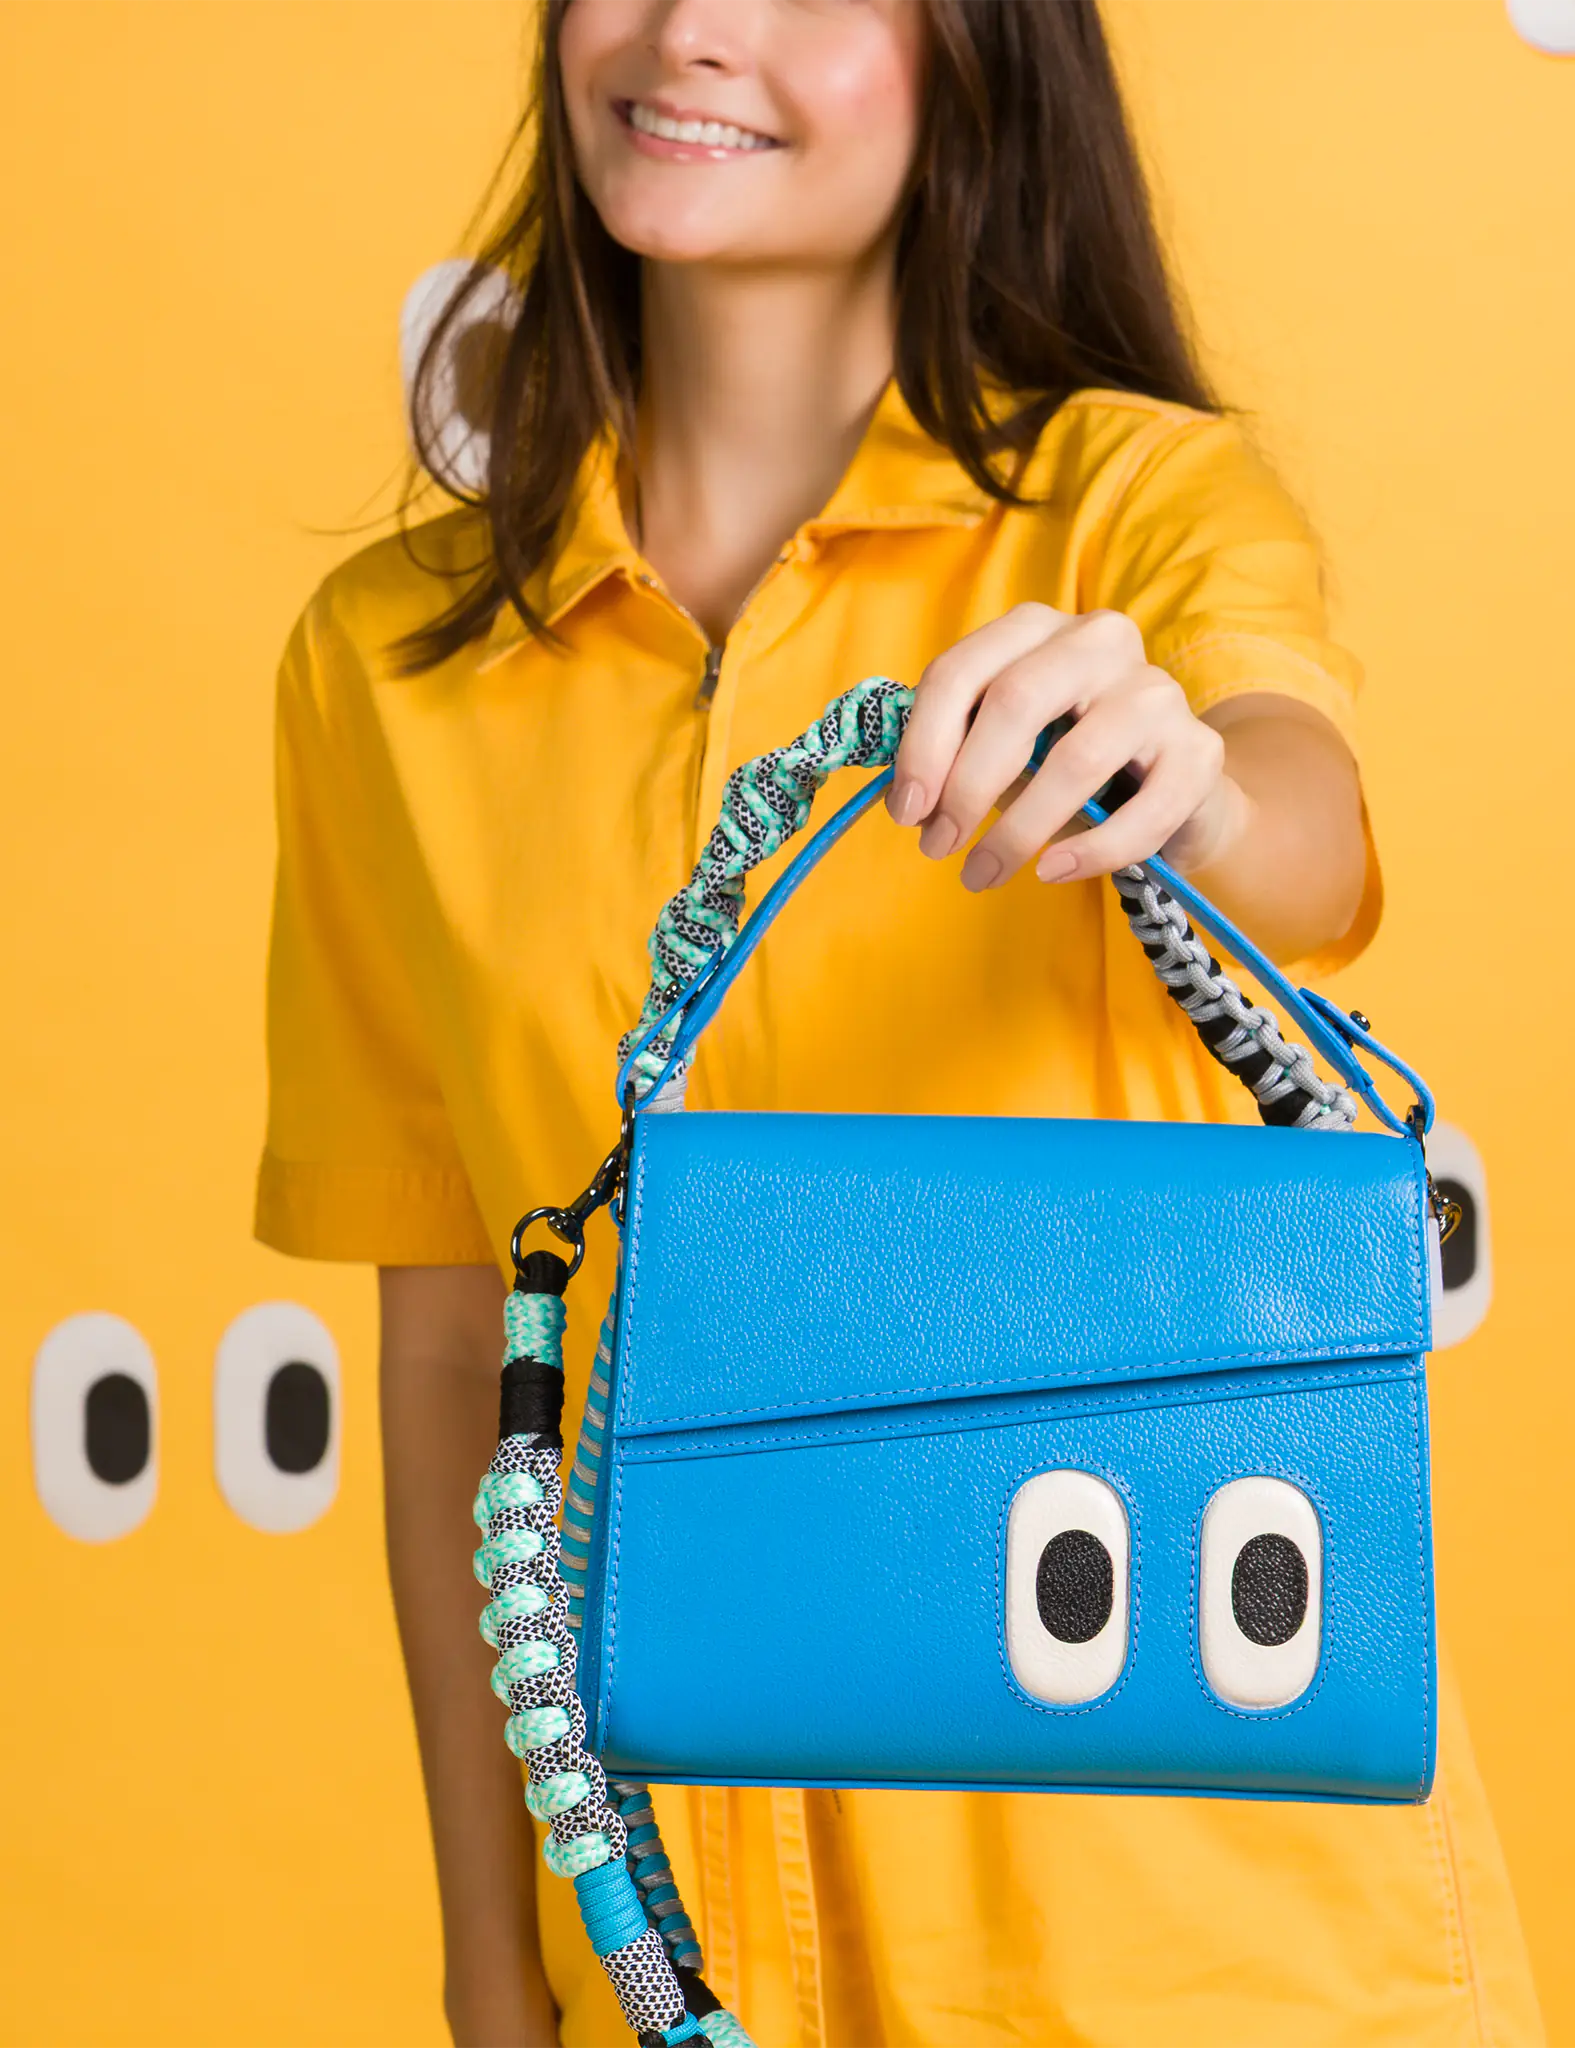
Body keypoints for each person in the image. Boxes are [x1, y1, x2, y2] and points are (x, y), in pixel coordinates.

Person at [255, 1, 1545, 2042]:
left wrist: (1186, 787)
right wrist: (493, 1962)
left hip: (1194, 1944)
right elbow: (451, 1349)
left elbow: (1297, 835)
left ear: (977, 51)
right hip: (680, 1952)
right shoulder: (387, 671)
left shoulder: (1137, 511)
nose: (694, 31)